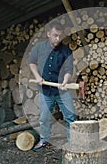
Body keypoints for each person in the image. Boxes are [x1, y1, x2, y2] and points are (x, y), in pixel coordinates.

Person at [28, 21, 76, 151]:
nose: (57, 39)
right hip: (45, 90)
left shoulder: (66, 51)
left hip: (62, 90)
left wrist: (66, 81)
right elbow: (32, 62)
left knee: (70, 116)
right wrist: (37, 77)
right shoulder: (39, 47)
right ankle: (44, 140)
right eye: (55, 35)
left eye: (60, 36)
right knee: (44, 118)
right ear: (48, 33)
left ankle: (73, 143)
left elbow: (69, 70)